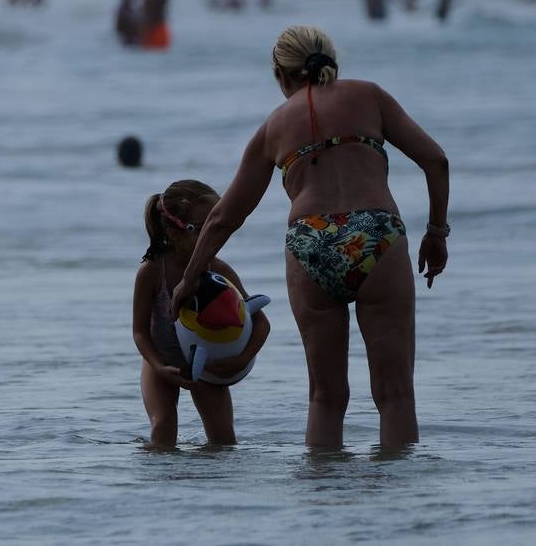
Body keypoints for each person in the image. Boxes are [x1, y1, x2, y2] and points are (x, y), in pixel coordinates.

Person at [170, 25, 449, 449]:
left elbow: (225, 216)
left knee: (325, 396)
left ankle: (323, 505)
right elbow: (436, 160)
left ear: (281, 76)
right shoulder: (369, 95)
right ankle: (399, 503)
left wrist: (189, 279)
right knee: (395, 395)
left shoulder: (273, 127)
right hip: (377, 233)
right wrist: (436, 232)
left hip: (309, 242)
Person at [133, 180, 270, 447]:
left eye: (216, 224)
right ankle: (159, 487)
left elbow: (261, 322)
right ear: (174, 231)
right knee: (163, 429)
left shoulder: (218, 270)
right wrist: (159, 367)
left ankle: (210, 487)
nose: (214, 233)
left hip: (210, 368)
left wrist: (241, 359)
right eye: (205, 227)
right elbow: (139, 331)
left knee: (224, 440)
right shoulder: (151, 272)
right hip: (161, 362)